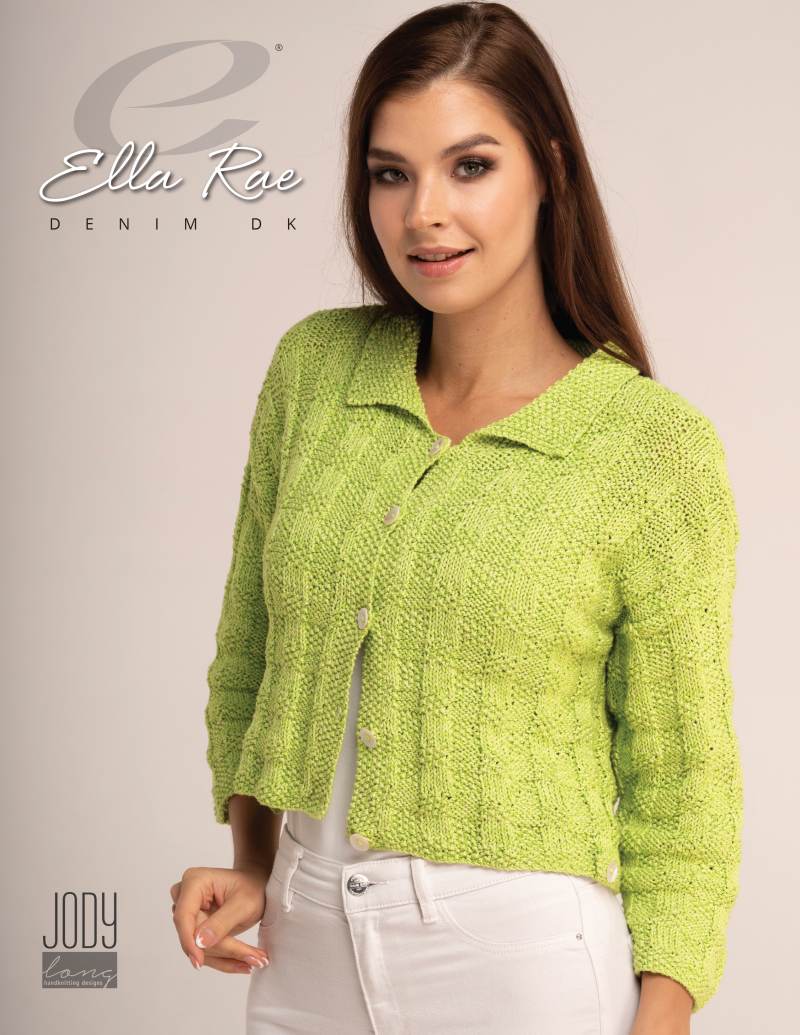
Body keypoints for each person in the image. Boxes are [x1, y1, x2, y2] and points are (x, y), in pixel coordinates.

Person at [170, 4, 743, 1033]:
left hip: (518, 963)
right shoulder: (315, 372)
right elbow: (250, 649)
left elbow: (682, 781)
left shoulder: (649, 447)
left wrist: (661, 1015)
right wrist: (252, 860)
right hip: (304, 948)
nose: (423, 213)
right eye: (390, 173)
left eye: (469, 166)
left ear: (549, 170)